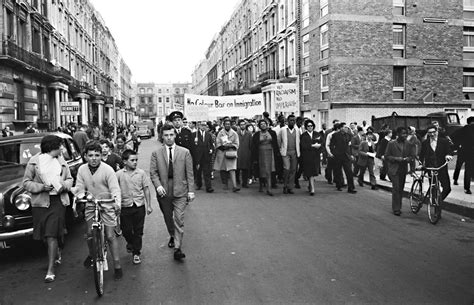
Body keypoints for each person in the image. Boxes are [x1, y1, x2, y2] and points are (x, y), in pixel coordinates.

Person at [23, 135, 73, 283]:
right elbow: (26, 183)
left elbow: (70, 179)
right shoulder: (34, 162)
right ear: (52, 147)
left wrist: (63, 186)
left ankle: (51, 270)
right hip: (41, 203)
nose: (62, 148)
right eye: (60, 146)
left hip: (58, 201)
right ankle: (57, 250)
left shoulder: (61, 161)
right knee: (45, 236)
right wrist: (41, 187)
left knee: (51, 234)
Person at [74, 141, 123, 280]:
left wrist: (116, 202)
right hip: (91, 203)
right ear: (85, 156)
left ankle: (117, 265)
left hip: (107, 203)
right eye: (90, 155)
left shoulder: (108, 170)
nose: (94, 158)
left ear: (101, 155)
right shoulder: (82, 169)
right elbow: (79, 186)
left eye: (97, 155)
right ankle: (92, 253)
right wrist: (79, 196)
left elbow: (115, 188)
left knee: (109, 235)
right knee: (89, 233)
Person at [150, 124, 195, 260]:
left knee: (179, 219)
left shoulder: (184, 152)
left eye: (171, 135)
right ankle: (172, 234)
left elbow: (190, 173)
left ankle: (177, 248)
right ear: (162, 137)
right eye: (166, 135)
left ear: (175, 135)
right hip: (164, 190)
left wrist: (191, 191)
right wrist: (158, 186)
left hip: (180, 190)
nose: (169, 138)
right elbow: (153, 172)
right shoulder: (156, 153)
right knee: (167, 217)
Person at [117, 149, 153, 265]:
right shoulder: (118, 174)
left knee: (138, 231)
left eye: (136, 160)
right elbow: (115, 190)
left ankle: (136, 253)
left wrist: (149, 205)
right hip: (125, 206)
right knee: (126, 230)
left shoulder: (141, 173)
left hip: (139, 206)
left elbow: (146, 189)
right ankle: (130, 242)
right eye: (132, 160)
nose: (135, 162)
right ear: (125, 161)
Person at [384, 127, 416, 216]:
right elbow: (387, 156)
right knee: (396, 188)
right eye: (402, 133)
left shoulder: (408, 144)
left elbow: (412, 156)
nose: (405, 135)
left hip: (403, 169)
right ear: (398, 134)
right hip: (394, 169)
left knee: (400, 189)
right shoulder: (391, 144)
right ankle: (396, 208)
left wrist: (408, 159)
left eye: (406, 133)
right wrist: (397, 159)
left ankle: (399, 206)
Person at [418, 125, 454, 204]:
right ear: (427, 133)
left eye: (434, 132)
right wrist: (420, 164)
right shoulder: (425, 143)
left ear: (437, 132)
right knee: (433, 188)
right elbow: (422, 155)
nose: (432, 134)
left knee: (447, 188)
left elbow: (449, 150)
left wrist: (448, 155)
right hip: (430, 168)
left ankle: (438, 201)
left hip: (441, 167)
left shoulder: (444, 141)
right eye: (430, 133)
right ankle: (436, 209)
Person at [251, 120, 280, 196]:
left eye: (264, 124)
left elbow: (275, 143)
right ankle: (261, 184)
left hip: (270, 153)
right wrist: (254, 158)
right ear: (259, 126)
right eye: (261, 124)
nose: (263, 125)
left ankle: (268, 189)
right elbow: (254, 146)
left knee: (269, 170)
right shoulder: (256, 135)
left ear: (267, 125)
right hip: (260, 153)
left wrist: (277, 153)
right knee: (261, 170)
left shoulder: (272, 133)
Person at [214, 118, 240, 192]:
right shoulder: (220, 133)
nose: (227, 125)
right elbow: (217, 142)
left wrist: (231, 145)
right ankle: (225, 184)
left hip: (231, 153)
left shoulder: (234, 133)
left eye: (229, 124)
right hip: (222, 152)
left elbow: (237, 144)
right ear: (224, 125)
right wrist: (223, 146)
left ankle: (234, 186)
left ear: (231, 125)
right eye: (226, 124)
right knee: (223, 169)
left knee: (232, 169)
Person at [329, 123, 357, 193]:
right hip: (338, 156)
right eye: (345, 127)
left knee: (349, 172)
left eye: (347, 128)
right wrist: (334, 153)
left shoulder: (348, 135)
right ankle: (339, 185)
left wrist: (351, 154)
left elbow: (349, 146)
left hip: (346, 156)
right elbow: (331, 145)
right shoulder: (335, 135)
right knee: (338, 171)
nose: (346, 129)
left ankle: (351, 188)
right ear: (341, 128)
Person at [278, 114, 300, 194]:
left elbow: (299, 141)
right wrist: (281, 150)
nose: (292, 122)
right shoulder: (283, 130)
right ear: (287, 121)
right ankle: (285, 185)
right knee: (287, 169)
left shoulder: (297, 130)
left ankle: (290, 187)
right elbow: (279, 140)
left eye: (294, 120)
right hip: (285, 152)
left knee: (293, 170)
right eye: (291, 120)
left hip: (294, 152)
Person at [451, 116, 474, 194]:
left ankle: (455, 179)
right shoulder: (470, 128)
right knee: (468, 169)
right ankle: (467, 188)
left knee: (459, 166)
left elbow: (452, 136)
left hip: (462, 150)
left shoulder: (462, 129)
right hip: (470, 152)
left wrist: (458, 145)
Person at [300, 120, 322, 195]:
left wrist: (319, 146)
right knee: (310, 172)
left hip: (315, 156)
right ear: (306, 127)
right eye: (308, 126)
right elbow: (303, 146)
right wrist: (312, 146)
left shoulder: (317, 134)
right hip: (307, 156)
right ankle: (312, 189)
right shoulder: (303, 135)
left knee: (313, 172)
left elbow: (322, 142)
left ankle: (310, 185)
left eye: (311, 126)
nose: (310, 127)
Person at [193, 121, 215, 193]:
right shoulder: (194, 135)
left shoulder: (208, 135)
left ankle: (209, 187)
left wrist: (211, 150)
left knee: (207, 172)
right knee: (198, 172)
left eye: (205, 125)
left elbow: (212, 144)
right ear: (199, 126)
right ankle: (199, 184)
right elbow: (192, 146)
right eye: (202, 125)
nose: (203, 127)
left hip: (206, 156)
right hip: (198, 156)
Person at [236, 120, 252, 188]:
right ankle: (237, 180)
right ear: (239, 126)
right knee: (237, 168)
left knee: (245, 169)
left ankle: (244, 183)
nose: (242, 126)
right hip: (238, 153)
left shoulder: (249, 133)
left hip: (246, 153)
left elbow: (250, 144)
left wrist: (250, 153)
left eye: (244, 124)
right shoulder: (236, 133)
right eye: (241, 124)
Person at [324, 120, 340, 184]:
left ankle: (336, 179)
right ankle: (329, 179)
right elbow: (327, 145)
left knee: (337, 167)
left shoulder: (340, 135)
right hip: (331, 152)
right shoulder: (330, 134)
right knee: (330, 167)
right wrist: (329, 153)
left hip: (338, 154)